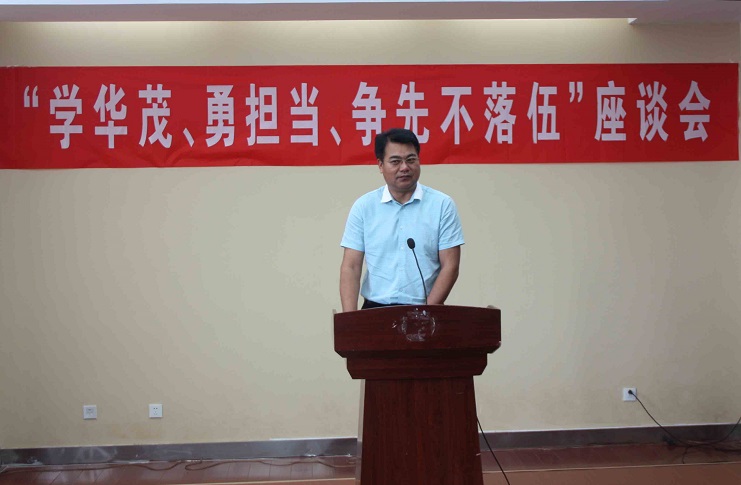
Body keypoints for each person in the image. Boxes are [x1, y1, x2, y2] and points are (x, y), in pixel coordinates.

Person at [339, 128, 464, 312]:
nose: (404, 167)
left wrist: (426, 312)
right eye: (395, 161)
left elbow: (450, 266)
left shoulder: (442, 205)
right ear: (380, 165)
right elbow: (351, 266)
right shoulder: (364, 207)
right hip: (374, 310)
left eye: (411, 160)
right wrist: (349, 320)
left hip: (425, 308)